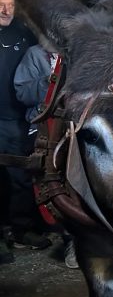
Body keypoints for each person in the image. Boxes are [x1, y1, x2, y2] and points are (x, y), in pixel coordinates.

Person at [15, 43, 77, 267]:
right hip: (46, 127)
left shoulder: (79, 50)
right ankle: (71, 240)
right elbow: (22, 92)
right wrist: (52, 80)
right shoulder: (35, 55)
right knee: (56, 181)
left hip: (75, 125)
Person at [0, 0, 50, 263]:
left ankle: (21, 229)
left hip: (16, 118)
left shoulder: (22, 33)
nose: (6, 11)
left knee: (21, 176)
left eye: (10, 6)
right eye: (1, 6)